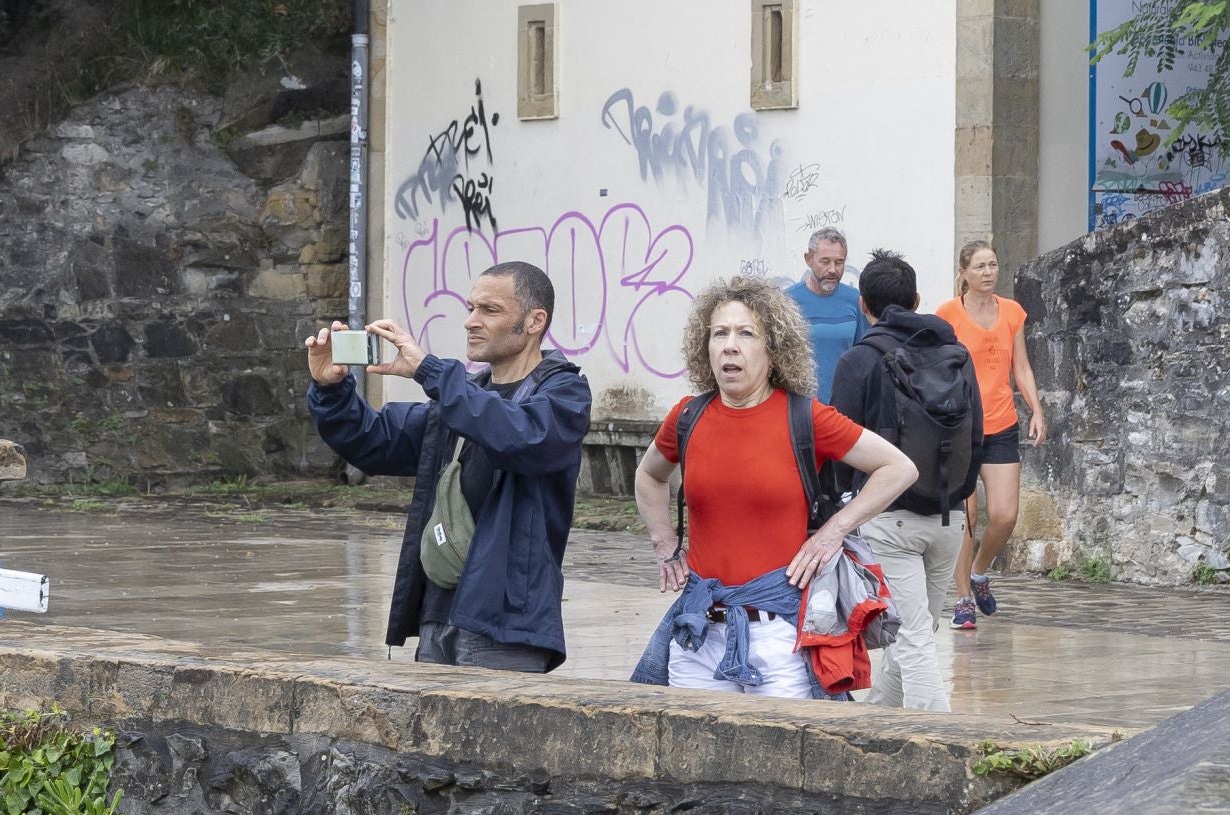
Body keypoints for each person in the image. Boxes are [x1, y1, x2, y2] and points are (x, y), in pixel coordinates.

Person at [631, 276, 916, 698]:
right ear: (704, 345)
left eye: (746, 334)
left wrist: (832, 533)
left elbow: (898, 467)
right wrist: (663, 541)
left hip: (779, 638)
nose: (730, 345)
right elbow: (649, 475)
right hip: (697, 633)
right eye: (719, 333)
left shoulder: (805, 417)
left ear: (773, 348)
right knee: (689, 759)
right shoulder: (686, 417)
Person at [304, 261, 591, 671]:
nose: (471, 322)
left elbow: (523, 437)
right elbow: (372, 441)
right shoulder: (461, 398)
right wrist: (330, 390)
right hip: (439, 613)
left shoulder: (565, 392)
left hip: (504, 624)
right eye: (470, 308)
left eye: (489, 311)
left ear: (534, 321)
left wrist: (430, 371)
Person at [828, 249, 981, 711]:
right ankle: (879, 722)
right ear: (916, 299)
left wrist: (834, 505)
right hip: (949, 516)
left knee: (913, 638)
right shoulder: (957, 354)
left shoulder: (859, 360)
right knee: (914, 631)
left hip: (887, 519)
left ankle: (944, 742)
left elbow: (837, 444)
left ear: (862, 304)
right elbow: (979, 433)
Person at [935, 240, 1047, 630]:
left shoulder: (1012, 312)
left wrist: (1036, 410)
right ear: (964, 272)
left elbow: (1023, 368)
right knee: (967, 517)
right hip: (960, 426)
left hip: (1000, 422)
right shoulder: (948, 314)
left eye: (993, 265)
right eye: (980, 266)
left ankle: (980, 573)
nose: (988, 272)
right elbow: (939, 370)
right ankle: (963, 599)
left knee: (1004, 514)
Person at [784, 227, 867, 401]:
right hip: (802, 408)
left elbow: (864, 356)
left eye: (839, 262)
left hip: (845, 408)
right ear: (808, 259)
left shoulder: (856, 300)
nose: (832, 269)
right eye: (825, 261)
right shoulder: (787, 302)